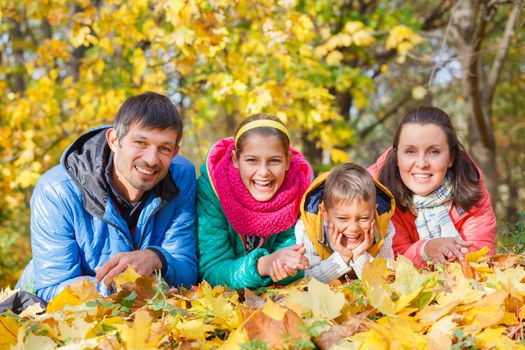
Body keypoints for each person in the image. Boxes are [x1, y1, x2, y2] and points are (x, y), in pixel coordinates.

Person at [17, 92, 198, 301]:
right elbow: (52, 287)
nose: (151, 159)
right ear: (114, 140)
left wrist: (158, 258)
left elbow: (187, 270)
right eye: (140, 142)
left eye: (164, 148)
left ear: (175, 152)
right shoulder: (57, 190)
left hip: (140, 318)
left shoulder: (181, 177)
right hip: (43, 315)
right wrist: (126, 290)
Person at [368, 106, 497, 267]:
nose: (421, 163)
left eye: (434, 151)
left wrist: (448, 255)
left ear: (451, 157)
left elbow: (480, 253)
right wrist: (426, 249)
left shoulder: (470, 186)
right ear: (396, 156)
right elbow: (390, 261)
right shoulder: (376, 193)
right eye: (410, 151)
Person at [197, 114, 313, 289]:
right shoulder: (213, 190)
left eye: (274, 161)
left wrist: (286, 268)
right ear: (236, 159)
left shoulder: (299, 191)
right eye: (252, 160)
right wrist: (262, 266)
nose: (263, 172)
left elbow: (294, 260)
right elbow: (212, 269)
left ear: (288, 161)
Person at [295, 163, 395, 283]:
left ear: (374, 211)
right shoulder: (309, 229)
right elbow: (306, 279)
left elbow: (387, 281)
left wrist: (359, 254)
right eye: (343, 218)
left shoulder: (384, 228)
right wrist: (342, 256)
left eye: (364, 218)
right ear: (324, 212)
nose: (353, 228)